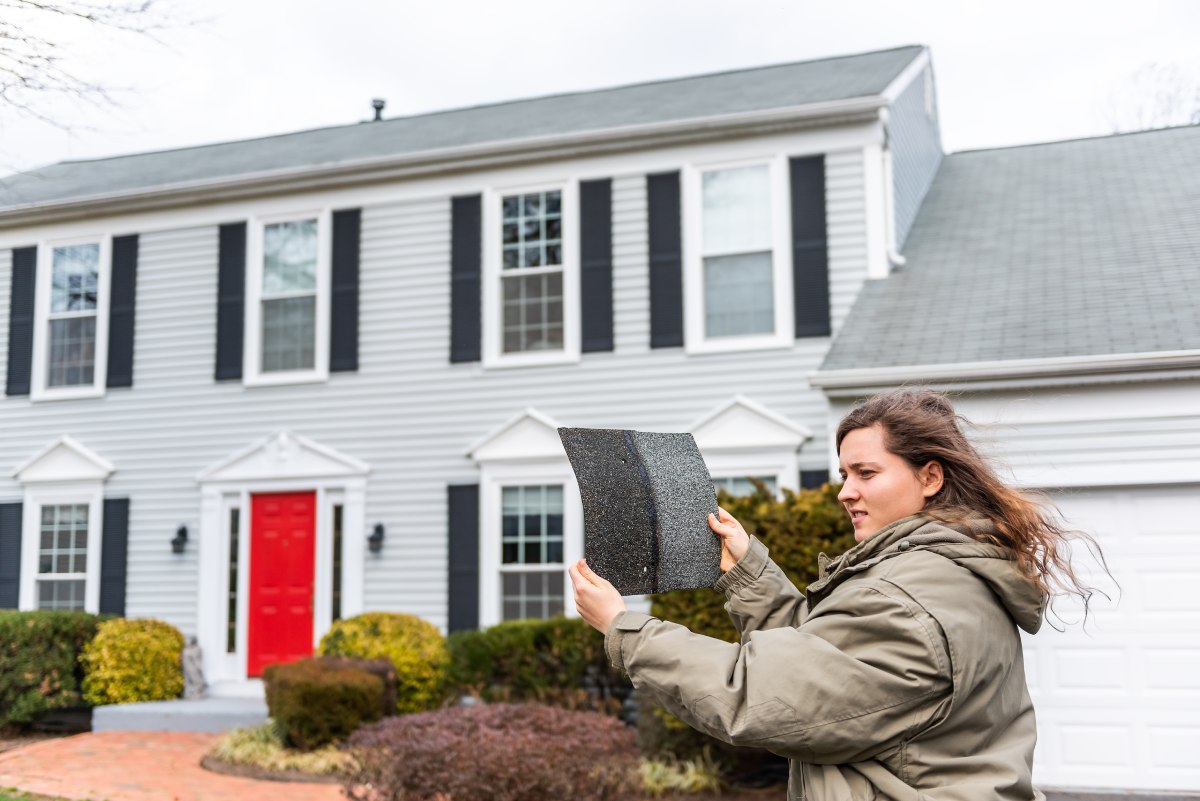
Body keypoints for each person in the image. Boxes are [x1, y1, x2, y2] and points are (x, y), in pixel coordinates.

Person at [569, 389, 1096, 801]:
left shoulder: (907, 596)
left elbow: (760, 696)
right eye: (845, 473)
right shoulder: (939, 570)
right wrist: (749, 573)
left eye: (866, 473)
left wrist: (624, 628)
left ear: (930, 477)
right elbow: (828, 662)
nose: (845, 491)